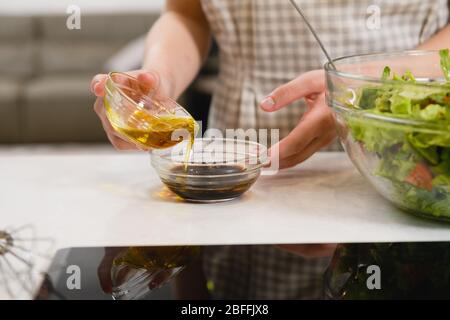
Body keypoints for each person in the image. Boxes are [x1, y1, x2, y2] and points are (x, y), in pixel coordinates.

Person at [91, 0, 449, 299]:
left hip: (392, 168)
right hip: (235, 177)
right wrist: (159, 78)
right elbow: (188, 13)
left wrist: (358, 90)